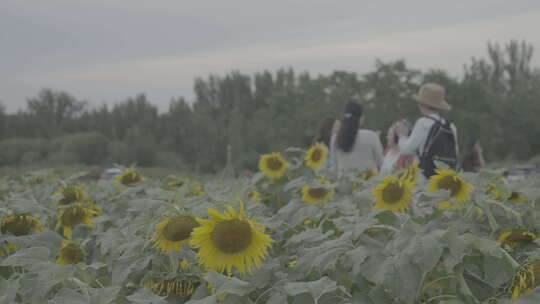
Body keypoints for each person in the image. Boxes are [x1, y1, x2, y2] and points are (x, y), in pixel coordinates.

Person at [395, 83, 458, 180]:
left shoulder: (423, 123)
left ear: (422, 104)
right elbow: (455, 152)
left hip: (426, 176)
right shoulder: (450, 126)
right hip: (447, 177)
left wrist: (402, 136)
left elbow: (407, 149)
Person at [330, 102, 384, 176]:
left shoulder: (335, 139)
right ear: (360, 118)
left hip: (345, 185)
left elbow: (335, 168)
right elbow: (381, 163)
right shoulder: (371, 136)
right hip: (370, 185)